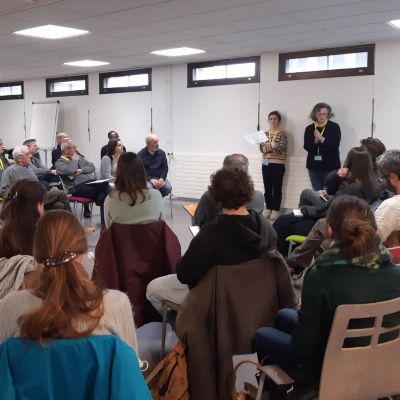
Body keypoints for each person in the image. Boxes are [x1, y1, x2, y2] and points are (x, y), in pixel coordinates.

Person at [253, 195, 400, 382]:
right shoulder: (395, 273)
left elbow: (303, 347)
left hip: (330, 367)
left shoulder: (321, 276)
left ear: (329, 230)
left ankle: (279, 389)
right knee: (283, 315)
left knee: (261, 335)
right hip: (383, 365)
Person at [0, 210, 139, 354]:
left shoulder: (11, 306)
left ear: (36, 253)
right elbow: (132, 362)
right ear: (81, 251)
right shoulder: (116, 305)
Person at [146, 167, 277, 314]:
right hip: (254, 297)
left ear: (215, 195)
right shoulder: (267, 228)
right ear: (249, 191)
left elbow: (185, 275)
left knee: (153, 288)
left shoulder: (209, 234)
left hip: (216, 299)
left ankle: (191, 324)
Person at [274, 146, 379, 256]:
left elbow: (324, 211)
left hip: (331, 226)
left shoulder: (350, 190)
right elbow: (330, 191)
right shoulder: (371, 186)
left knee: (282, 222)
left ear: (350, 163)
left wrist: (303, 210)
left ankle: (278, 260)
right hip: (341, 224)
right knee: (296, 213)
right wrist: (337, 175)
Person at [0, 180, 45, 299]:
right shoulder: (43, 240)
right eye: (43, 205)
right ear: (38, 206)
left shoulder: (3, 234)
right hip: (33, 304)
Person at [193, 153, 264, 227]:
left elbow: (197, 222)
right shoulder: (259, 197)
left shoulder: (209, 196)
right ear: (246, 172)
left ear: (223, 172)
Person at [104, 152, 164, 227]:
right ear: (142, 171)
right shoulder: (156, 196)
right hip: (151, 235)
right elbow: (162, 225)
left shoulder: (110, 199)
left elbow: (109, 228)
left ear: (118, 173)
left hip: (122, 235)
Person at [55, 140, 108, 225]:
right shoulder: (59, 163)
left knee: (103, 195)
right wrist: (74, 160)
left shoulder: (79, 157)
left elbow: (92, 166)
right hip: (77, 188)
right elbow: (71, 170)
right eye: (74, 147)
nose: (76, 149)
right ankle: (104, 224)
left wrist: (82, 170)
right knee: (105, 188)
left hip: (91, 183)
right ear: (66, 150)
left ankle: (104, 224)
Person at [304, 102, 341, 191]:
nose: (321, 116)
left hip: (330, 165)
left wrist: (322, 139)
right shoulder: (309, 128)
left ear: (328, 115)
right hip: (314, 166)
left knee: (329, 192)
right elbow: (307, 147)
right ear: (315, 114)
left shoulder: (334, 127)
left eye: (324, 114)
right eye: (319, 114)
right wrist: (315, 142)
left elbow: (334, 145)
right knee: (317, 192)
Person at [259, 111, 288, 220]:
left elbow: (281, 148)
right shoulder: (264, 134)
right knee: (267, 187)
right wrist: (273, 145)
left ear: (279, 120)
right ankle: (268, 208)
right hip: (265, 163)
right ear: (268, 120)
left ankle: (276, 209)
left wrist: (268, 146)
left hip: (278, 165)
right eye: (271, 118)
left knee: (277, 188)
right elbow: (262, 150)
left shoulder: (283, 133)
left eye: (275, 118)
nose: (273, 121)